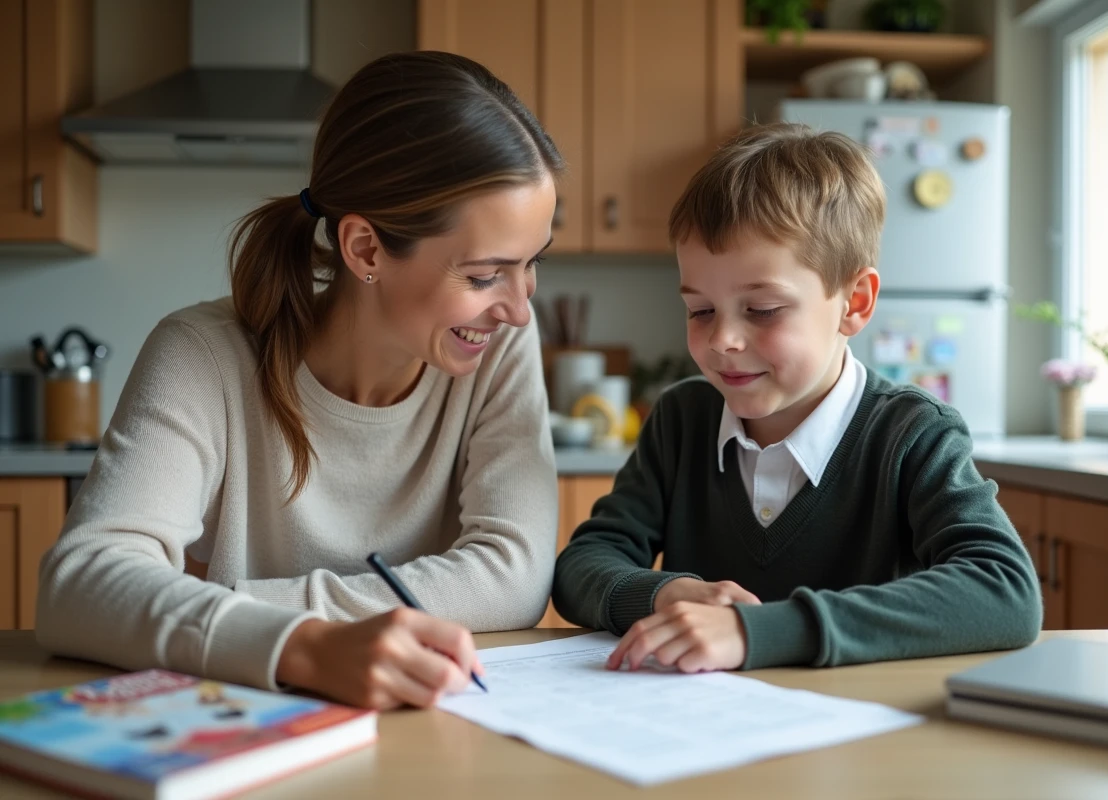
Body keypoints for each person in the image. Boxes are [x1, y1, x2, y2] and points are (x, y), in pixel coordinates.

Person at [37, 52, 563, 709]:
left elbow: (513, 576)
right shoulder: (201, 355)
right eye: (486, 275)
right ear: (365, 249)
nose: (518, 306)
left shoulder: (499, 344)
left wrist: (212, 610)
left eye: (532, 263)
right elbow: (82, 586)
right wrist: (305, 646)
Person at [552, 122, 1041, 673]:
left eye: (761, 310)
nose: (722, 340)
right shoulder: (681, 420)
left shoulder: (913, 433)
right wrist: (665, 593)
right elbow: (582, 565)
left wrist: (757, 630)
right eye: (700, 310)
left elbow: (1005, 591)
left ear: (854, 302)